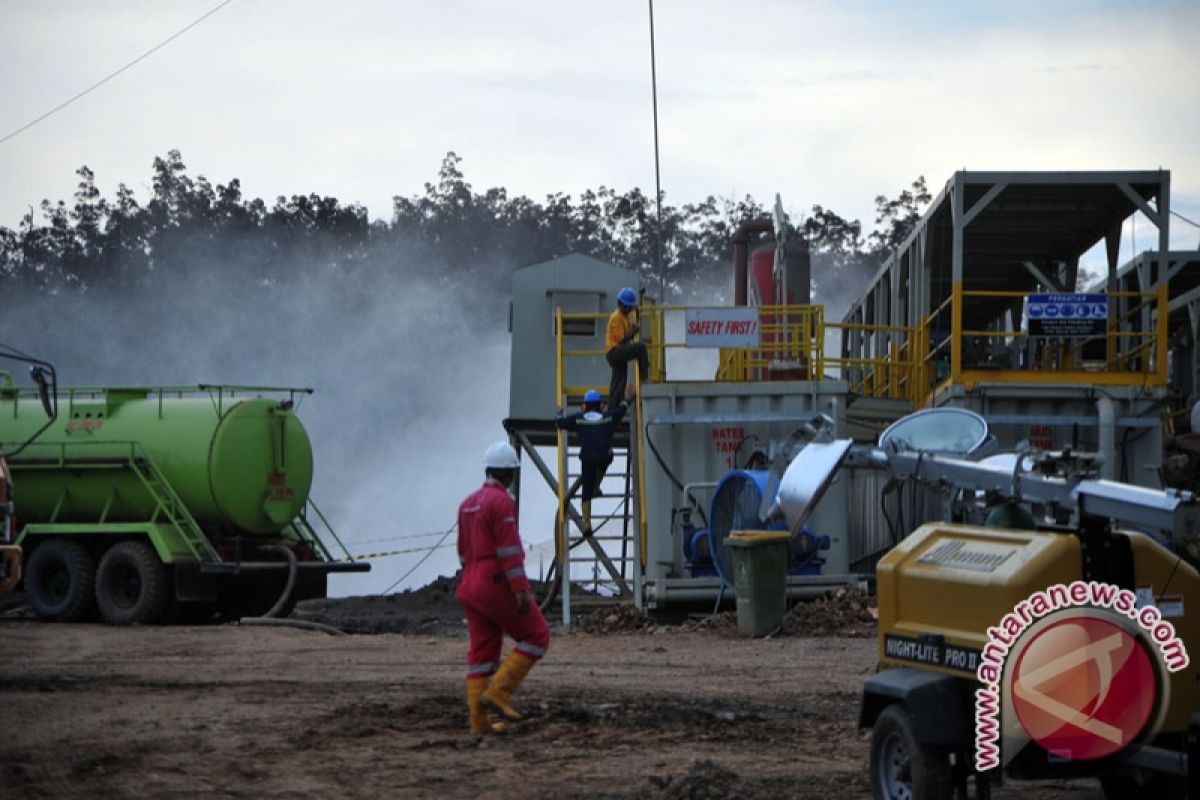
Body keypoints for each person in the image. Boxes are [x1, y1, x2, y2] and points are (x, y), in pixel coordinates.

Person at [455, 440, 550, 736]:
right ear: (510, 474)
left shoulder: (468, 503)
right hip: (493, 582)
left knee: (482, 652)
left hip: (469, 582)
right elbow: (509, 550)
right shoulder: (502, 502)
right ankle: (498, 694)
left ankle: (479, 724)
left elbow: (461, 549)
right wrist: (520, 590)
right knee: (537, 635)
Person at [555, 389, 629, 536]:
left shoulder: (578, 418)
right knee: (608, 457)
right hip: (603, 456)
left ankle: (587, 522)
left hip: (587, 458)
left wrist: (559, 412)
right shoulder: (608, 417)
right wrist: (627, 398)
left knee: (586, 490)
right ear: (601, 405)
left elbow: (559, 423)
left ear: (584, 406)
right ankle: (597, 486)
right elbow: (622, 410)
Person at [605, 287, 649, 407]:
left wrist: (637, 312)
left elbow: (633, 318)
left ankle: (612, 412)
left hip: (617, 352)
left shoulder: (624, 315)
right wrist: (633, 332)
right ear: (622, 305)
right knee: (640, 348)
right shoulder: (616, 317)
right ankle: (644, 377)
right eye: (629, 306)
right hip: (614, 352)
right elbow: (621, 339)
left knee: (618, 386)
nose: (630, 309)